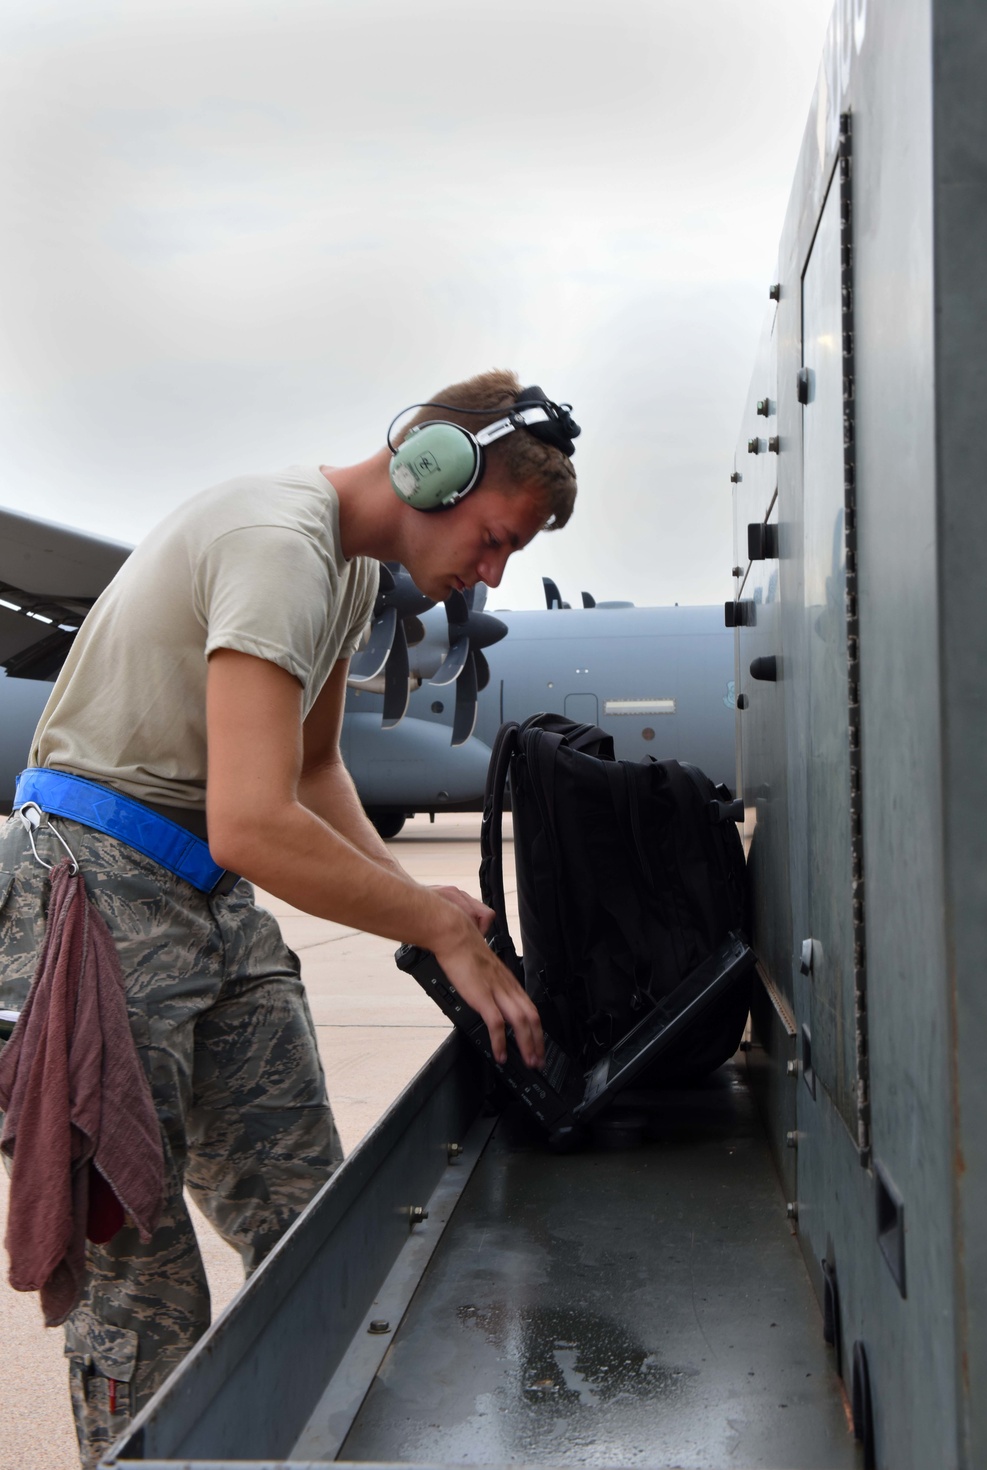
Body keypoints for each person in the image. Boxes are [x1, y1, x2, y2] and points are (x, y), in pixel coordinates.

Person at [0, 368, 579, 1467]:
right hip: (99, 894)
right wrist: (431, 925)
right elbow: (254, 823)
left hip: (209, 906)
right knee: (146, 1290)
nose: (491, 572)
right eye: (496, 538)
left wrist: (421, 909)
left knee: (314, 1226)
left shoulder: (347, 573)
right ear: (432, 468)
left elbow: (312, 775)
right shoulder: (276, 541)